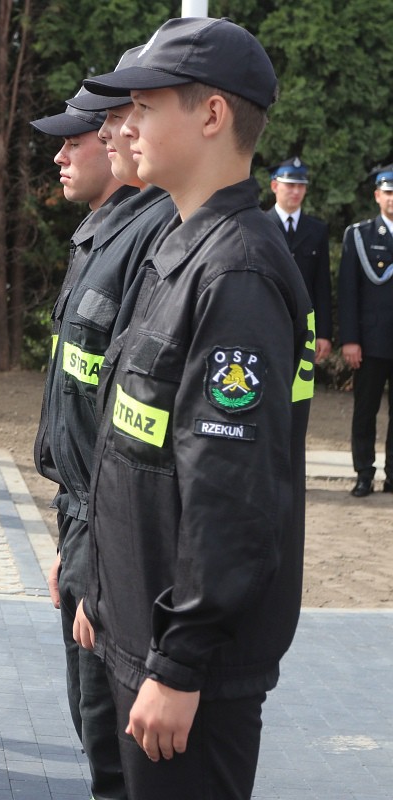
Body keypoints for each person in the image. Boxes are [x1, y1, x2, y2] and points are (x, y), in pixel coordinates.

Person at [74, 17, 315, 799]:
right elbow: (131, 451)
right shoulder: (181, 248)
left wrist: (180, 665)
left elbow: (231, 495)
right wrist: (103, 599)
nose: (124, 125)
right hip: (137, 637)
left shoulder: (236, 273)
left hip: (185, 673)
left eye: (144, 105)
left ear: (212, 115)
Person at [30, 80, 135, 800]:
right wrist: (70, 543)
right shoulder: (100, 233)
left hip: (112, 535)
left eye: (75, 139)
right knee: (93, 727)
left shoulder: (143, 241)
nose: (61, 156)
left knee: (112, 742)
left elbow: (131, 435)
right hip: (83, 523)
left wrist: (96, 556)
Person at [337, 167, 393, 497]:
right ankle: (364, 473)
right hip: (370, 343)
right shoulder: (360, 235)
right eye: (388, 192)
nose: (392, 198)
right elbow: (348, 292)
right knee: (365, 412)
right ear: (377, 196)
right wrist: (351, 339)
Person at [268, 157, 332, 363]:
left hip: (305, 325)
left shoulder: (317, 230)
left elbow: (322, 286)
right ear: (275, 186)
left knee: (300, 392)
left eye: (301, 186)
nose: (296, 192)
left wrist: (323, 333)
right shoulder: (260, 225)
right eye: (290, 185)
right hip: (267, 320)